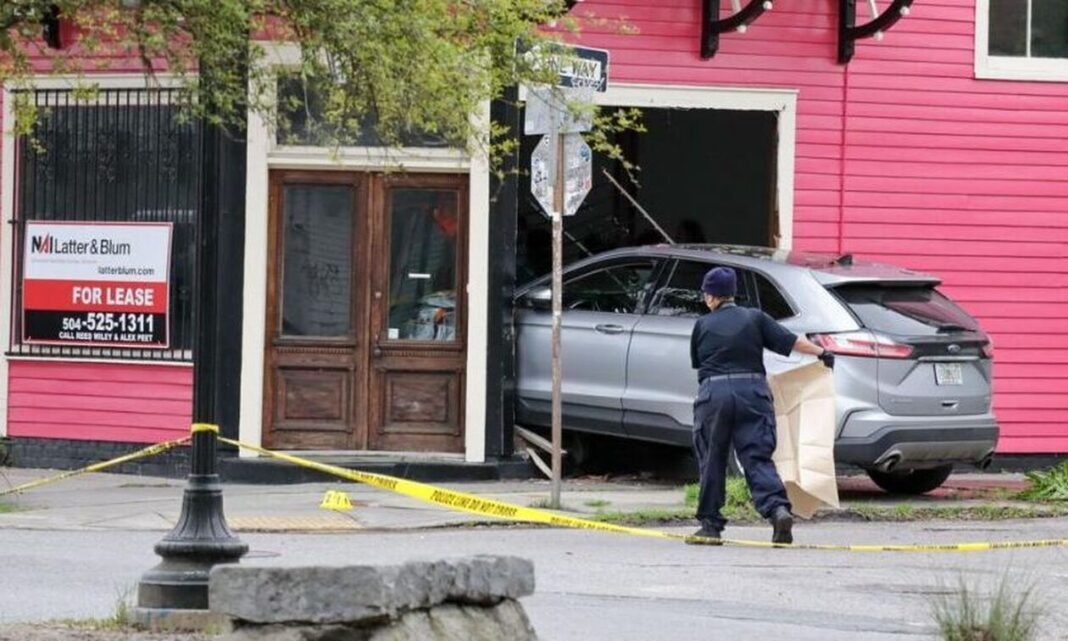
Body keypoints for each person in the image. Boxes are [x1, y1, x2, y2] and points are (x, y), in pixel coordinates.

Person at [689, 266, 834, 545]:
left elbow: (698, 362)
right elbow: (792, 342)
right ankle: (777, 511)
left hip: (714, 394)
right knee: (757, 457)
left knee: (712, 459)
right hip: (752, 393)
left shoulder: (702, 325)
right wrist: (822, 353)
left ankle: (710, 526)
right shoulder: (755, 317)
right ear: (732, 293)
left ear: (710, 296)